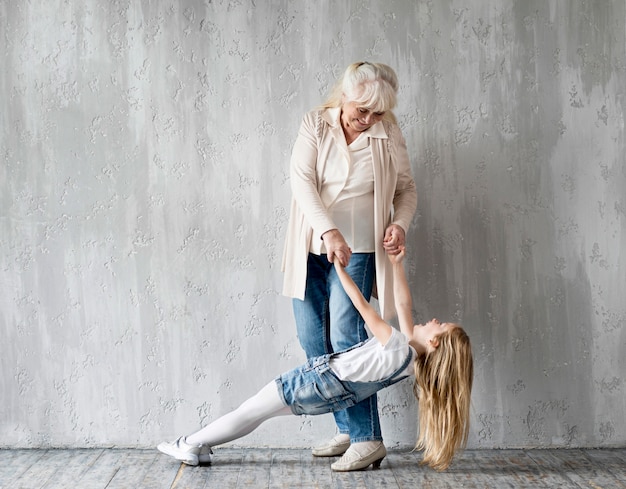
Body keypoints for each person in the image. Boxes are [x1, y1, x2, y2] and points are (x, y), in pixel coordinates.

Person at [158, 248, 473, 472]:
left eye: (440, 324)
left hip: (317, 380)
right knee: (255, 412)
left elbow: (364, 308)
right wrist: (398, 262)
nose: (434, 319)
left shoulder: (397, 346)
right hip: (326, 395)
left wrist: (339, 271)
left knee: (251, 410)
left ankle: (188, 443)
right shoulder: (407, 360)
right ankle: (198, 446)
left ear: (433, 343)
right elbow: (404, 303)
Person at [281, 61, 418, 467]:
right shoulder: (315, 124)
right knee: (313, 342)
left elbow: (407, 190)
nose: (369, 119)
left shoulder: (387, 134)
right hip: (310, 244)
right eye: (362, 111)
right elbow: (301, 180)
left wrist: (400, 223)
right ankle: (344, 426)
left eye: (377, 112)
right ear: (345, 97)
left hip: (358, 248)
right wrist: (328, 231)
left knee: (348, 336)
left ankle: (367, 437)